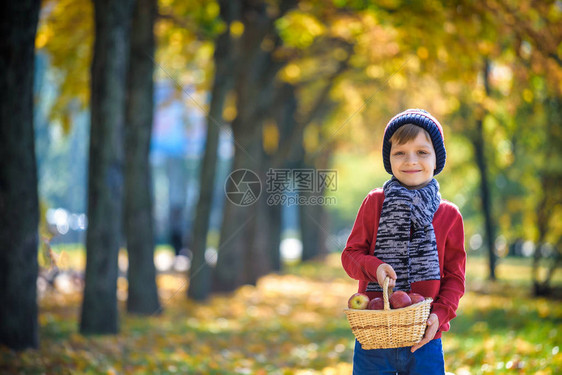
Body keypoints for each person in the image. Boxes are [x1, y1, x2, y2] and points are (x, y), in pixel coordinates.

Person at [341, 109, 466, 374]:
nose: (411, 161)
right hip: (374, 334)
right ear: (389, 159)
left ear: (436, 159)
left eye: (422, 152)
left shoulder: (449, 215)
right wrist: (374, 267)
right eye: (400, 153)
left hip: (425, 338)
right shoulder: (375, 203)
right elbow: (350, 256)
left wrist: (440, 315)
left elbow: (455, 277)